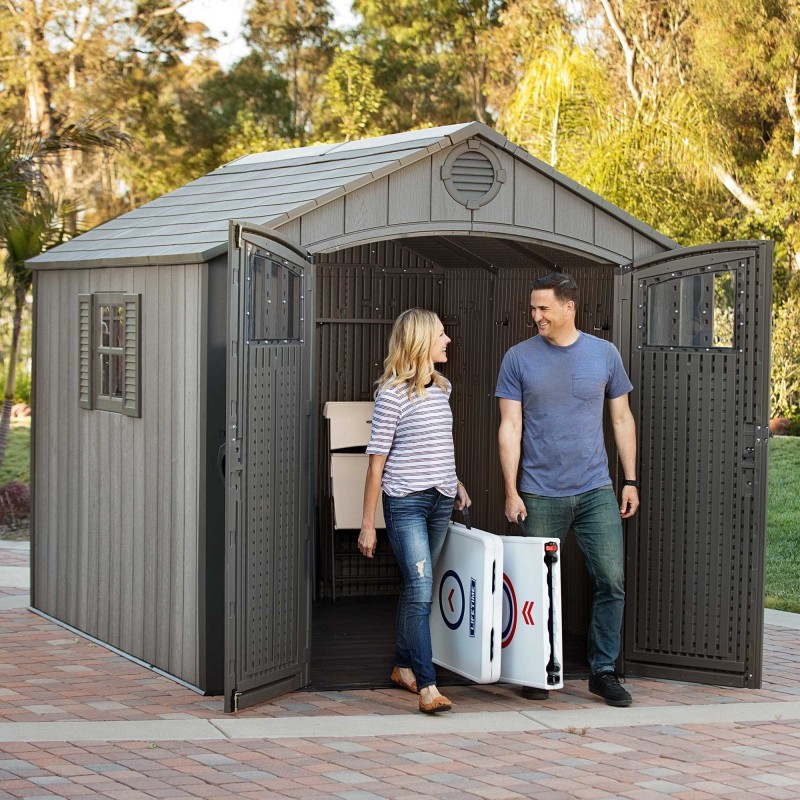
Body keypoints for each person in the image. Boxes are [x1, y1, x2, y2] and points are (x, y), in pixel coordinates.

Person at [496, 273, 639, 707]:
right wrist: (511, 490)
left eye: (543, 308)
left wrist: (629, 479)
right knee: (538, 586)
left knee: (611, 580)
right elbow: (510, 427)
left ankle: (603, 671)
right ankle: (539, 667)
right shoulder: (518, 358)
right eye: (533, 307)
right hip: (539, 492)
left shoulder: (604, 354)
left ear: (568, 307)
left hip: (596, 489)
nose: (535, 315)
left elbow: (621, 420)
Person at [359, 308, 471, 714]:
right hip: (405, 503)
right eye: (442, 334)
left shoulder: (442, 389)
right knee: (422, 591)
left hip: (441, 500)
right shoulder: (391, 395)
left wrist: (455, 483)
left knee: (417, 589)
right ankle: (427, 687)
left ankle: (403, 667)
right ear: (422, 341)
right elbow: (376, 464)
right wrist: (368, 524)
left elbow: (440, 446)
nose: (448, 340)